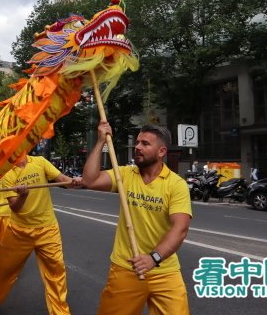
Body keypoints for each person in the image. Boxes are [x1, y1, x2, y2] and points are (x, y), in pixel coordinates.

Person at [81, 122, 192, 315]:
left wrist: (153, 258)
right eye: (138, 142)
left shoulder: (176, 184)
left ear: (161, 151)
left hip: (165, 271)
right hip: (126, 268)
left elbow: (179, 229)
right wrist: (100, 142)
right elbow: (89, 181)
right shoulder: (124, 174)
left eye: (145, 144)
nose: (137, 147)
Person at [0, 155, 81, 315]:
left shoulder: (40, 162)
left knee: (56, 273)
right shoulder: (6, 173)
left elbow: (62, 179)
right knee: (2, 271)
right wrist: (23, 195)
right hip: (19, 231)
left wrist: (74, 182)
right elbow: (15, 208)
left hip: (48, 229)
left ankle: (60, 312)